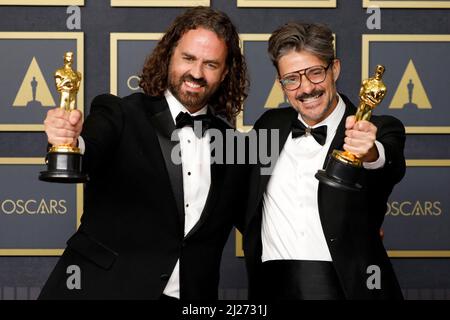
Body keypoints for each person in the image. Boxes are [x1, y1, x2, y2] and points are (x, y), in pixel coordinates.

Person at [39, 6, 248, 300]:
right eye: (188, 58)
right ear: (169, 56)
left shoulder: (234, 146)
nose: (196, 73)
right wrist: (69, 142)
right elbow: (90, 149)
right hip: (100, 291)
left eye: (211, 64)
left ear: (225, 72)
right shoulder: (120, 113)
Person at [243, 22, 405, 300]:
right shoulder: (269, 125)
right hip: (272, 286)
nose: (306, 88)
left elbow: (388, 164)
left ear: (335, 69)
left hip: (351, 288)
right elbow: (239, 191)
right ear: (281, 84)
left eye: (315, 73)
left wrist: (369, 152)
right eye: (292, 79)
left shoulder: (379, 127)